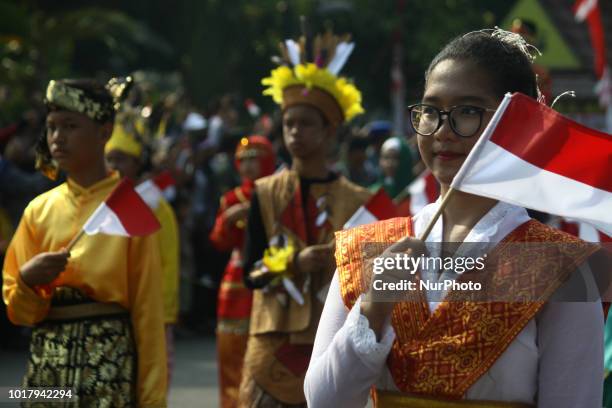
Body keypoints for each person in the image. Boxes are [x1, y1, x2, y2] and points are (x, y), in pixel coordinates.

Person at [304, 29, 604, 407]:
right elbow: (323, 401)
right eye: (429, 111)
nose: (442, 130)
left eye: (467, 112)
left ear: (515, 126)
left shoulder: (561, 266)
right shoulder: (366, 247)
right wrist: (373, 307)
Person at [2, 79, 167, 407]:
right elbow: (20, 315)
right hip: (46, 372)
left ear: (104, 132)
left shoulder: (128, 210)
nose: (57, 138)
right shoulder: (39, 210)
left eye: (70, 126)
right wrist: (27, 281)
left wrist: (151, 400)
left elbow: (148, 319)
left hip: (108, 371)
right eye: (51, 127)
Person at [237, 31, 372, 407]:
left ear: (330, 129)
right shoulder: (264, 193)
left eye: (306, 124)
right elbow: (250, 272)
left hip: (334, 337)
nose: (295, 132)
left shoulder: (358, 201)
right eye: (288, 123)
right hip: (272, 341)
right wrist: (295, 262)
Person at [105, 121, 180, 387]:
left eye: (120, 159)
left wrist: (165, 312)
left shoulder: (154, 204)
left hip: (151, 311)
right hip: (111, 312)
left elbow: (169, 261)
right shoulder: (100, 204)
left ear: (137, 163)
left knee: (149, 385)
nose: (113, 166)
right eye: (108, 159)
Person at [209, 135, 276, 408]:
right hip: (235, 285)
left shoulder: (276, 194)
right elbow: (218, 241)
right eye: (243, 160)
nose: (248, 166)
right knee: (232, 352)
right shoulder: (230, 199)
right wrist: (227, 220)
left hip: (271, 278)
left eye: (255, 159)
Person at [369, 136, 414, 215]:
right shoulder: (373, 193)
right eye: (386, 158)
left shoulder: (415, 193)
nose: (390, 163)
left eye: (395, 158)